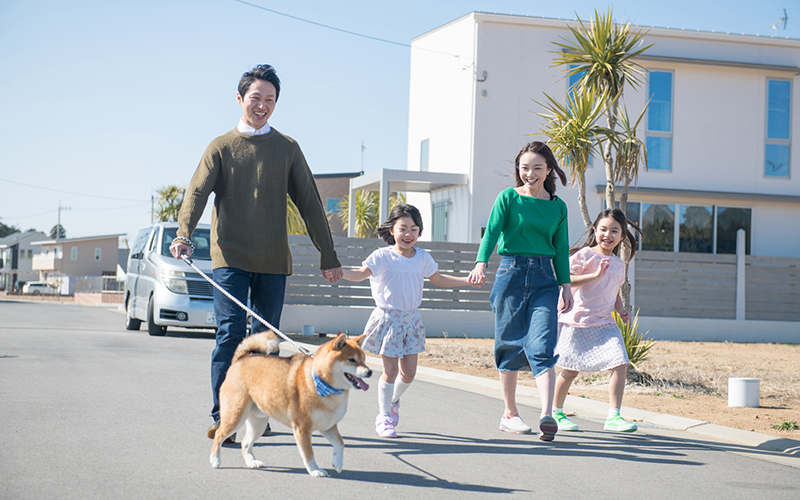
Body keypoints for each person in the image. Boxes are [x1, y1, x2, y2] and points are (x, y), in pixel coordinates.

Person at [169, 64, 343, 440]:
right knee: (230, 334)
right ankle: (224, 417)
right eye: (255, 98)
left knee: (267, 343)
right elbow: (196, 193)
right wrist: (183, 234)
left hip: (272, 260)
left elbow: (311, 204)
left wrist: (328, 256)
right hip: (229, 257)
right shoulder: (221, 147)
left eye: (269, 100)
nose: (262, 105)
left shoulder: (287, 149)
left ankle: (259, 417)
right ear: (239, 99)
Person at [325, 204, 473, 438]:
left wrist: (466, 281)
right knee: (391, 370)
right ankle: (384, 417)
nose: (408, 234)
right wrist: (341, 272)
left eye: (414, 229)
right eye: (403, 228)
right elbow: (361, 273)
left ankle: (392, 401)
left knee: (409, 373)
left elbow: (438, 278)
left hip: (412, 320)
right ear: (392, 230)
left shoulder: (423, 257)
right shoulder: (382, 256)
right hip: (388, 320)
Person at [467, 141, 573, 442]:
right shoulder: (508, 198)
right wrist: (480, 263)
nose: (530, 173)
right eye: (524, 168)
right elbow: (492, 232)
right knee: (510, 345)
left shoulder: (558, 206)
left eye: (537, 168)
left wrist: (565, 286)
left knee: (542, 345)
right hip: (511, 272)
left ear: (548, 170)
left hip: (544, 278)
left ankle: (546, 414)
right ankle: (510, 414)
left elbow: (562, 249)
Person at [552, 208, 643, 433]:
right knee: (571, 370)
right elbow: (566, 280)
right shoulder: (583, 256)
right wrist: (593, 275)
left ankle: (614, 416)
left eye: (614, 231)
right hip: (577, 321)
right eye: (603, 229)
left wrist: (621, 309)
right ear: (595, 230)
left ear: (622, 236)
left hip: (605, 324)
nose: (607, 234)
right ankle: (555, 412)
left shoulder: (619, 264)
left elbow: (613, 293)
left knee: (620, 363)